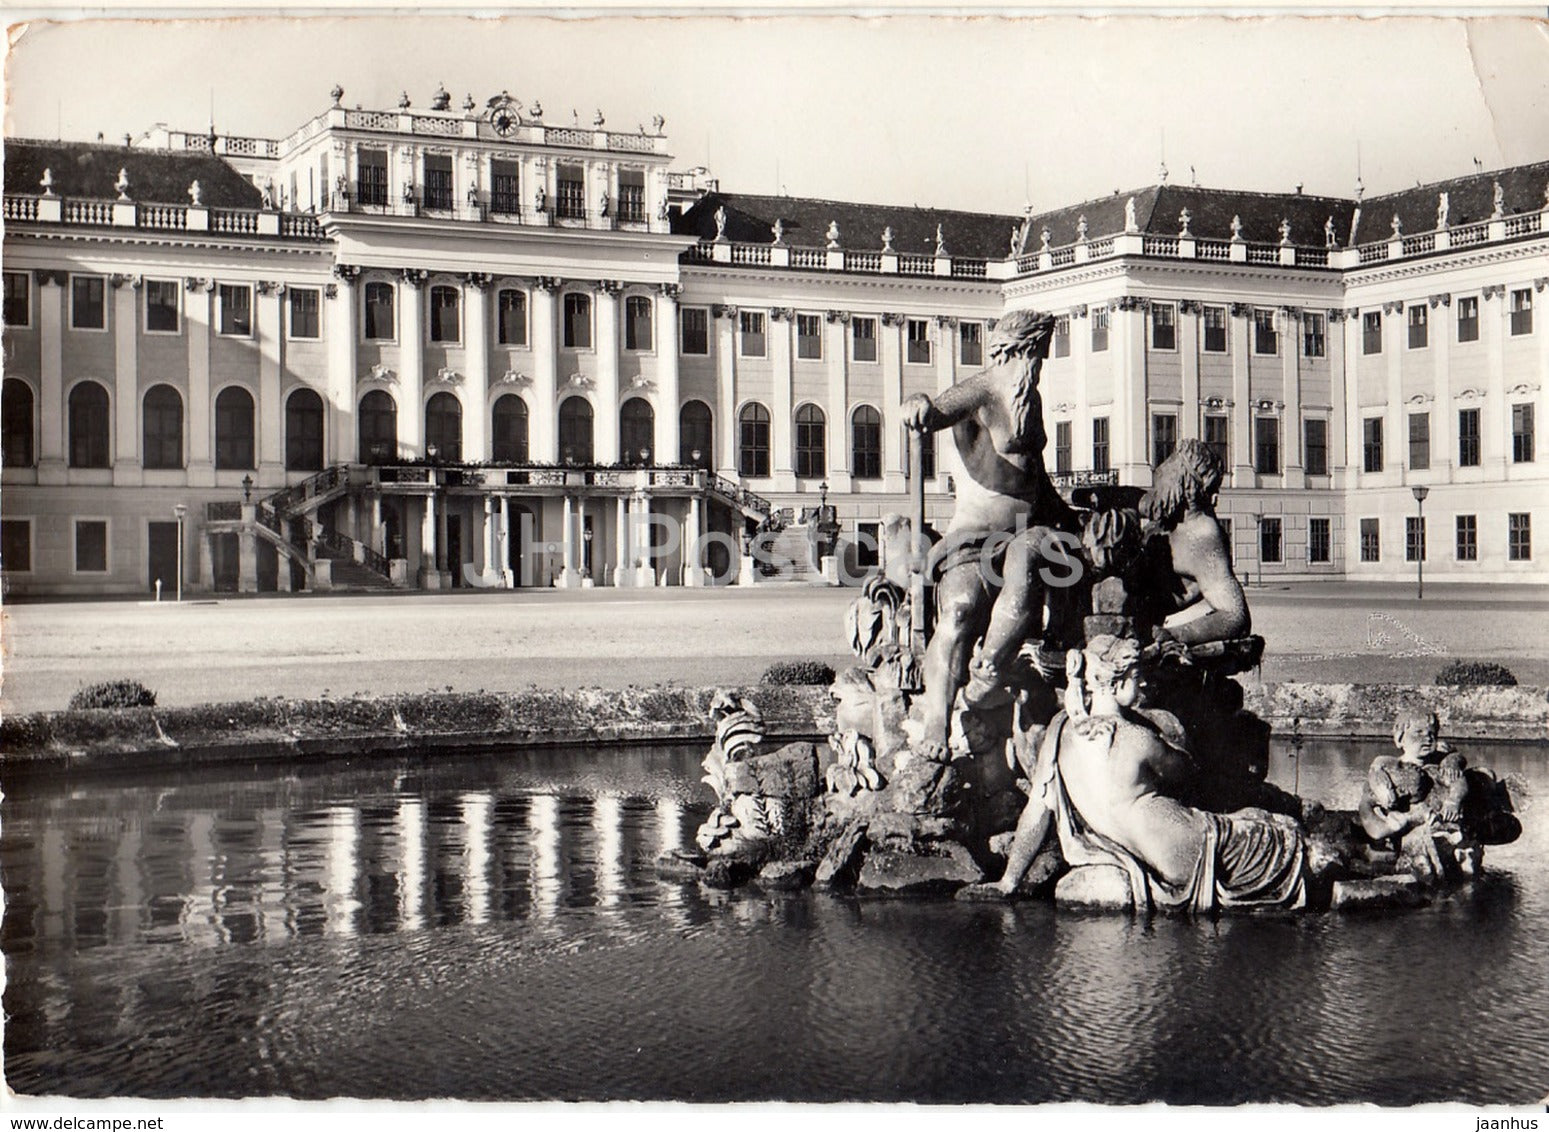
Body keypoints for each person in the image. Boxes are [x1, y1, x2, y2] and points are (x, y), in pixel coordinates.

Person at [962, 635, 1311, 911]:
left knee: (1265, 822)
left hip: (1154, 853)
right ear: (1114, 683)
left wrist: (1009, 882)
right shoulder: (1139, 738)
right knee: (1286, 835)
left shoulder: (1059, 731)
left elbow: (1036, 812)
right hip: (1194, 847)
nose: (1143, 686)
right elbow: (1187, 773)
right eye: (1137, 678)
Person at [900, 309, 1076, 760]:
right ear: (1021, 350)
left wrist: (1066, 513)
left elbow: (1032, 474)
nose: (1039, 364)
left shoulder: (1028, 399)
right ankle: (937, 718)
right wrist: (919, 403)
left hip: (1030, 529)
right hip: (974, 535)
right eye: (1037, 354)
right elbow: (940, 407)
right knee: (959, 610)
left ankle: (1000, 684)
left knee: (1044, 596)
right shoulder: (982, 389)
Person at [1136, 439, 1249, 647]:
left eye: (1167, 472)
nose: (1160, 472)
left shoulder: (1204, 536)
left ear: (1186, 482)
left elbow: (1235, 616)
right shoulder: (1169, 514)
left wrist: (1173, 634)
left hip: (1138, 630)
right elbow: (1133, 498)